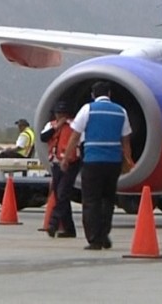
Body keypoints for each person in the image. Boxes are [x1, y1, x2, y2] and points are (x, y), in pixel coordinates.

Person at [61, 80, 134, 250]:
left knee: (91, 200)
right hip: (113, 162)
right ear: (109, 94)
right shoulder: (120, 111)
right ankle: (104, 234)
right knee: (108, 200)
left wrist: (66, 158)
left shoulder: (88, 109)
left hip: (93, 161)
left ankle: (94, 239)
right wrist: (128, 160)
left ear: (93, 95)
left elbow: (75, 135)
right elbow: (126, 140)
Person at [40, 101, 81, 238]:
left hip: (71, 163)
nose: (60, 116)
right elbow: (43, 137)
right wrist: (57, 126)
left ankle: (53, 223)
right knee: (59, 195)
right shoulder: (50, 126)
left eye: (63, 114)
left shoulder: (75, 126)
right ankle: (69, 229)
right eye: (58, 113)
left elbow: (81, 143)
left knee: (63, 192)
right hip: (56, 163)